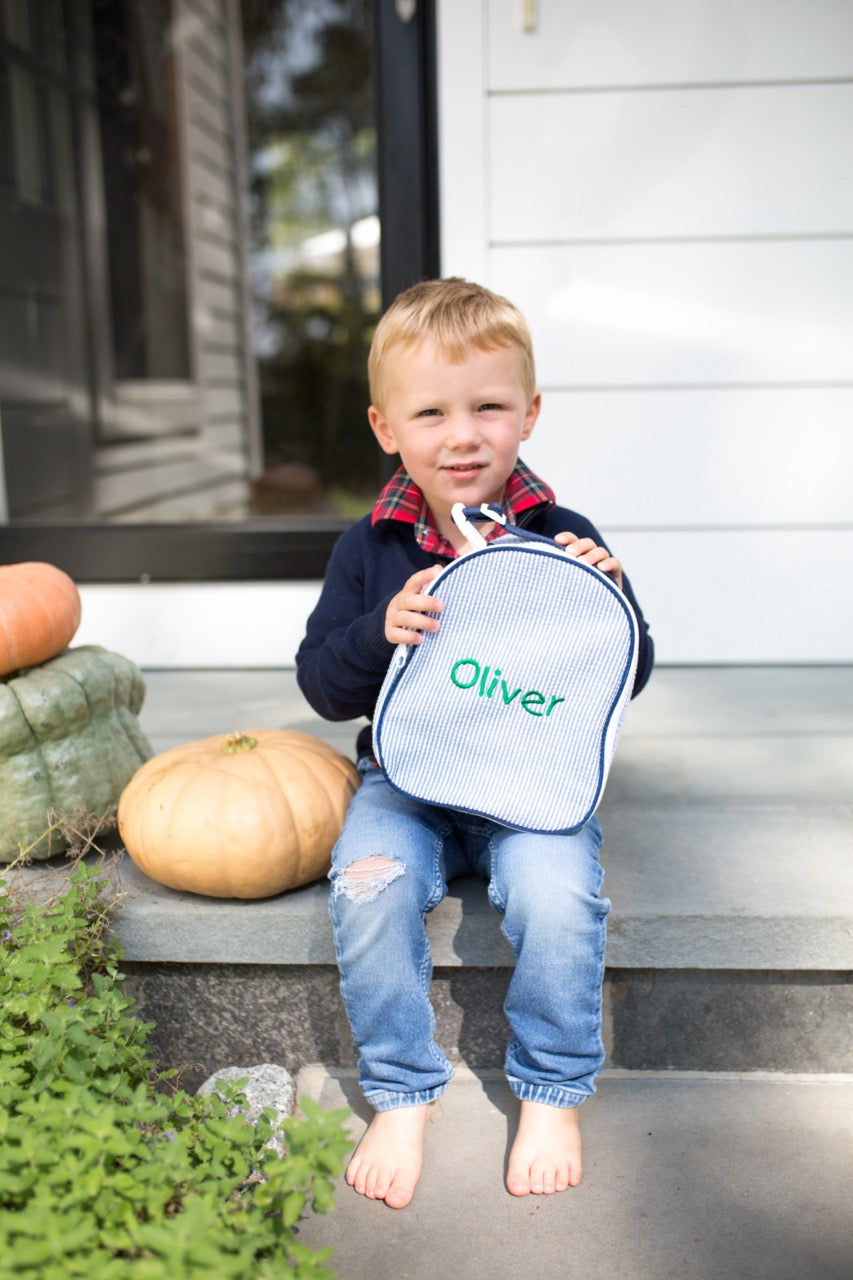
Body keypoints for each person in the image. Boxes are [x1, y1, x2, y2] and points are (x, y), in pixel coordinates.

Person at [296, 277, 653, 1209]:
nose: (462, 434)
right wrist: (379, 630)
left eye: (488, 407)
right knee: (368, 888)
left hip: (526, 785)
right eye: (430, 413)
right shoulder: (369, 546)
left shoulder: (561, 534)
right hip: (404, 783)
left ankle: (549, 1087)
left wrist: (605, 602)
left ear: (528, 414)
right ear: (386, 427)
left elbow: (629, 674)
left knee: (558, 893)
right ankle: (403, 1091)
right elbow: (320, 684)